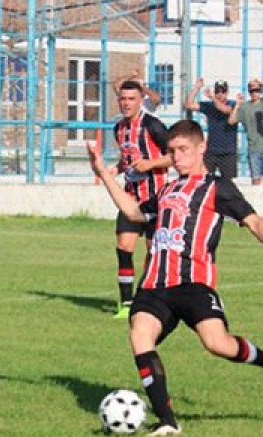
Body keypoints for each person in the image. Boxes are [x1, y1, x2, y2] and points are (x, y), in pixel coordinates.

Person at [86, 119, 263, 437]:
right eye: (172, 151)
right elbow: (136, 213)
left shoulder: (217, 187)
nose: (176, 157)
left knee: (217, 344)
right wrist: (105, 174)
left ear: (201, 148)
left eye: (182, 150)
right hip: (154, 285)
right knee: (140, 336)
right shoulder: (167, 189)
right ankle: (167, 422)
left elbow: (255, 222)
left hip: (193, 284)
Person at [110, 80, 172, 320]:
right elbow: (128, 160)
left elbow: (174, 156)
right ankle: (126, 303)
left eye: (131, 99)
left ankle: (146, 300)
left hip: (156, 198)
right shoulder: (119, 128)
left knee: (152, 252)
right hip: (130, 199)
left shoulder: (153, 126)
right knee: (124, 247)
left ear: (140, 101)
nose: (126, 103)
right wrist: (113, 169)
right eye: (123, 99)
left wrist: (151, 164)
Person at [228, 79, 263, 185]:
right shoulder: (244, 107)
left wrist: (262, 82)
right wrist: (237, 105)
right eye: (252, 91)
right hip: (253, 149)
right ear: (249, 92)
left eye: (257, 90)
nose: (255, 93)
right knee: (255, 181)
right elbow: (231, 121)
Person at [186, 78, 238, 181]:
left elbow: (225, 110)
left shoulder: (234, 104)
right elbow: (189, 105)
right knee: (204, 181)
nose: (220, 94)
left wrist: (213, 98)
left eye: (223, 91)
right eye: (217, 91)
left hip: (228, 152)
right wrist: (196, 88)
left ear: (227, 93)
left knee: (229, 184)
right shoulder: (209, 105)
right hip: (211, 151)